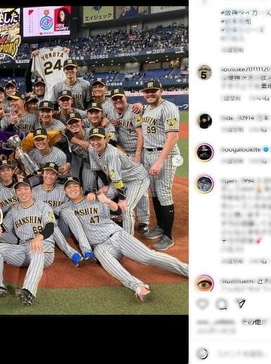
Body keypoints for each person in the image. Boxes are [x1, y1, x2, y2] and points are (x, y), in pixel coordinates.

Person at [59, 176, 188, 302]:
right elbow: (52, 215)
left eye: (75, 186)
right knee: (105, 259)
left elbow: (118, 212)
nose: (72, 189)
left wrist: (107, 201)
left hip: (117, 235)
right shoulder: (66, 209)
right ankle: (137, 287)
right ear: (65, 192)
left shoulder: (95, 199)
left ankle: (186, 269)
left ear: (81, 189)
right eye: (68, 187)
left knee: (148, 257)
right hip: (101, 246)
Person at [0, 176, 56, 306]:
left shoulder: (43, 206)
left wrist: (38, 237)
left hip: (44, 249)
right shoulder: (14, 210)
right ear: (16, 193)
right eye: (19, 190)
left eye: (26, 189)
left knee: (35, 248)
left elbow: (50, 227)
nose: (23, 192)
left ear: (31, 191)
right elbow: (0, 228)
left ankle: (28, 292)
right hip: (24, 249)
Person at [140, 80, 181, 251]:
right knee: (155, 193)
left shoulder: (168, 108)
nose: (150, 94)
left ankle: (168, 236)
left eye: (153, 90)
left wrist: (160, 160)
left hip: (164, 154)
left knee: (164, 193)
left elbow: (173, 137)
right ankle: (160, 227)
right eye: (147, 91)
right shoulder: (147, 108)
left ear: (161, 91)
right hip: (148, 153)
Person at [87, 127, 150, 236]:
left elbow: (116, 178)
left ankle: (127, 241)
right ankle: (106, 230)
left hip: (136, 178)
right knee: (103, 197)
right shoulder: (91, 150)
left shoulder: (112, 153)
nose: (95, 142)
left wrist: (122, 199)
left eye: (98, 139)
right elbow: (98, 169)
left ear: (105, 139)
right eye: (92, 139)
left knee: (126, 209)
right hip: (120, 179)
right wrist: (106, 185)